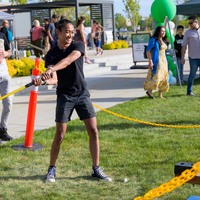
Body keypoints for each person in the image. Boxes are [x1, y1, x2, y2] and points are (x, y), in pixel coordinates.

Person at [33, 19, 112, 183]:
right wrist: (44, 79)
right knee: (60, 135)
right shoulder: (51, 54)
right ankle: (51, 169)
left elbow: (69, 60)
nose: (70, 34)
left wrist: (50, 69)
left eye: (72, 32)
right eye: (67, 31)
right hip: (65, 96)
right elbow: (54, 79)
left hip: (82, 94)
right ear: (58, 33)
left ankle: (96, 169)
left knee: (94, 131)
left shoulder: (78, 45)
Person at [143, 26, 169, 99]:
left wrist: (168, 42)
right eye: (162, 31)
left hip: (164, 61)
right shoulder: (153, 39)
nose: (163, 33)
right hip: (157, 61)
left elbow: (165, 49)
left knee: (163, 77)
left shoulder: (163, 40)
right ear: (158, 32)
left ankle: (160, 94)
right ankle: (149, 91)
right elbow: (148, 51)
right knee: (156, 76)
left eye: (164, 31)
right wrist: (150, 61)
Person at [181, 15, 200, 97]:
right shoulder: (187, 33)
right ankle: (189, 92)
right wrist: (182, 57)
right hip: (193, 58)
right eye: (189, 23)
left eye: (191, 23)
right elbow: (184, 46)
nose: (189, 25)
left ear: (196, 22)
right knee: (192, 75)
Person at [0, 31, 13, 142]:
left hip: (5, 76)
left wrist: (5, 53)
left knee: (8, 104)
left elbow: (10, 52)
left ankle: (3, 129)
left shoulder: (1, 35)